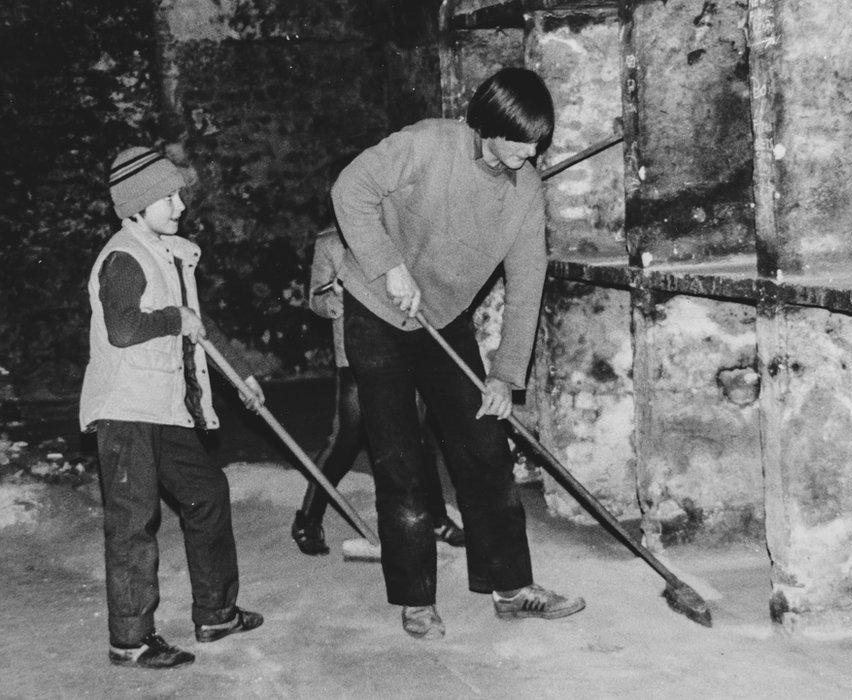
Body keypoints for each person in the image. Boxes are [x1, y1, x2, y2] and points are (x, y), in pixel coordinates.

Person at [331, 67, 585, 639]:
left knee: (485, 450)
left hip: (443, 320)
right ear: (487, 125)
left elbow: (528, 282)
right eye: (519, 139)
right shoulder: (427, 144)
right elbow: (350, 188)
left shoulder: (525, 190)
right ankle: (416, 598)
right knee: (400, 462)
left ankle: (512, 587)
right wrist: (389, 265)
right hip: (376, 309)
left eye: (538, 141)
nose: (529, 151)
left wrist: (504, 375)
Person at [80, 147, 265, 669]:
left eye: (180, 194)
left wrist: (240, 373)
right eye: (168, 196)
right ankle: (131, 641)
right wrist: (174, 318)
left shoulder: (166, 250)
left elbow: (197, 325)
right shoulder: (124, 256)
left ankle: (216, 612)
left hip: (163, 409)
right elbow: (124, 327)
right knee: (134, 522)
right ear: (137, 205)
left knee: (207, 492)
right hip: (126, 412)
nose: (180, 204)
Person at [291, 225, 465, 555]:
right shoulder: (329, 241)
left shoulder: (400, 227)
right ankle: (308, 519)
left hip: (405, 348)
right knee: (345, 438)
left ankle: (436, 518)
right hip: (355, 355)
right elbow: (315, 299)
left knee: (419, 435)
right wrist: (334, 298)